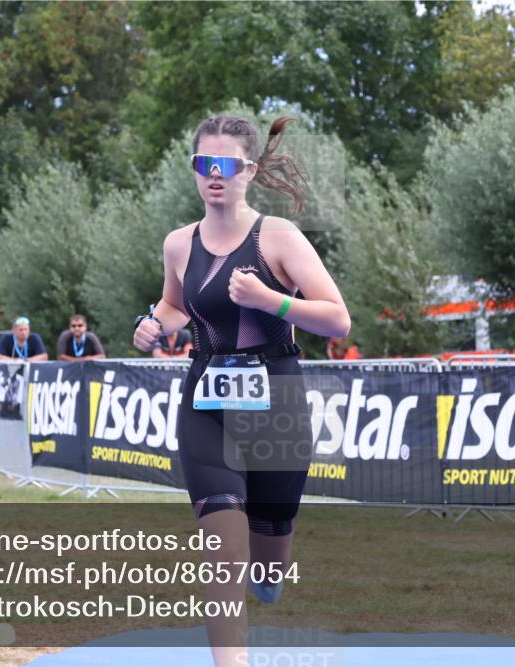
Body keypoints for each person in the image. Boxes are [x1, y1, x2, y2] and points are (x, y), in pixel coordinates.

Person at [133, 115, 350, 667]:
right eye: (205, 164)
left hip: (276, 403)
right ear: (195, 170)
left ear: (249, 171)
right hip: (207, 403)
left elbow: (337, 320)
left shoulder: (278, 236)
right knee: (224, 554)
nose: (215, 175)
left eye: (227, 165)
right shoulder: (178, 244)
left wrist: (269, 299)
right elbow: (178, 304)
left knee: (267, 563)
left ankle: (272, 563)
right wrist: (153, 323)